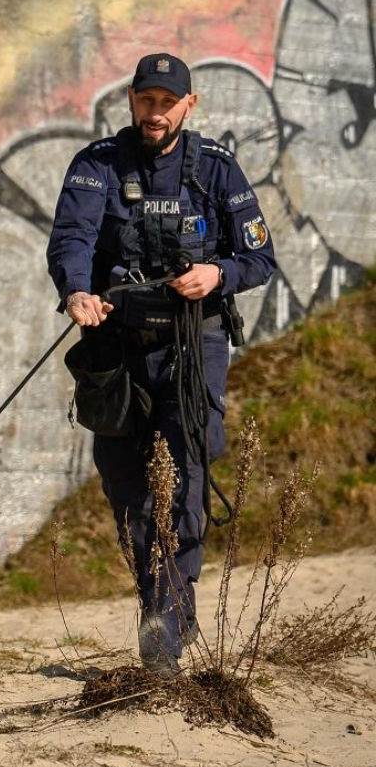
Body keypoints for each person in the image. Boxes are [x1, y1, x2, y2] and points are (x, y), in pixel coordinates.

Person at [47, 53, 277, 674]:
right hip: (115, 348)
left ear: (189, 105)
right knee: (125, 483)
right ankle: (164, 601)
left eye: (167, 102)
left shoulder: (217, 171)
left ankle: (167, 620)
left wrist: (216, 274)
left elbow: (260, 258)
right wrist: (76, 290)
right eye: (146, 100)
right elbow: (72, 239)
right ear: (131, 100)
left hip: (191, 346)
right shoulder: (96, 165)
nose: (156, 112)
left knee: (185, 475)